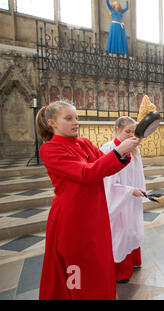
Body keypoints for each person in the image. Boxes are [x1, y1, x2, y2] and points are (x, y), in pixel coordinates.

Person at [36, 101, 140, 300]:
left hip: (94, 213)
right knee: (78, 270)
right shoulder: (50, 149)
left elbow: (105, 165)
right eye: (68, 118)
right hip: (72, 219)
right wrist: (120, 151)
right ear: (52, 123)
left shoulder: (83, 142)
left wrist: (125, 148)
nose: (76, 122)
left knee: (98, 265)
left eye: (76, 117)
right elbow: (86, 173)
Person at [101, 116, 146, 283]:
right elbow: (109, 183)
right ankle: (119, 272)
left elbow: (138, 173)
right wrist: (129, 191)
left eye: (134, 132)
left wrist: (140, 190)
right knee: (120, 232)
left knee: (132, 229)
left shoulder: (135, 150)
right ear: (117, 130)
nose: (131, 135)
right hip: (117, 201)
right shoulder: (108, 149)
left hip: (132, 198)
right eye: (127, 132)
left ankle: (133, 262)